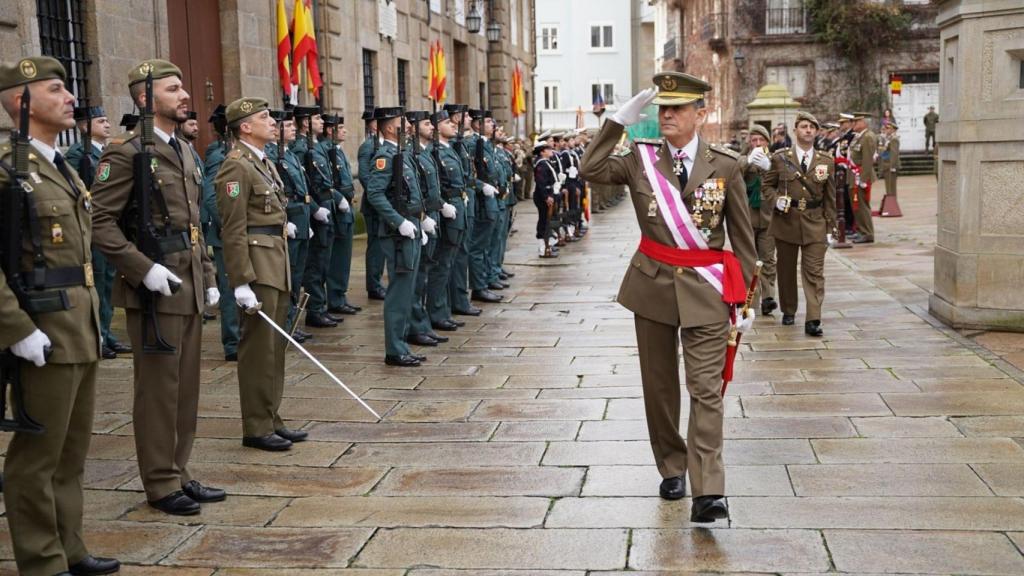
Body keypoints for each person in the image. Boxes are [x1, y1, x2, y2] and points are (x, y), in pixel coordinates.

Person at [580, 72, 756, 523]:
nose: (668, 116)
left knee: (706, 389)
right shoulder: (640, 160)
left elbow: (744, 241)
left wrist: (747, 301)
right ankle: (672, 466)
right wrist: (616, 122)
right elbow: (591, 170)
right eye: (663, 109)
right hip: (652, 286)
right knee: (659, 389)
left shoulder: (726, 165)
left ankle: (708, 490)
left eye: (678, 108)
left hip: (707, 293)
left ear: (701, 114)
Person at [0, 55, 121, 576]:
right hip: (42, 325)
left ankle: (70, 547)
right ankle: (42, 561)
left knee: (71, 453)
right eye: (56, 89)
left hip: (79, 324)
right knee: (36, 458)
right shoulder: (7, 166)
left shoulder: (59, 164)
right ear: (18, 101)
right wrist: (15, 327)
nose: (71, 98)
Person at [91, 59, 225, 516]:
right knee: (157, 390)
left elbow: (195, 226)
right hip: (154, 288)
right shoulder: (125, 152)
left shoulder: (185, 150)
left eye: (184, 86)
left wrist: (207, 277)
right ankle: (159, 480)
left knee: (185, 387)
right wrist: (141, 268)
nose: (185, 95)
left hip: (186, 283)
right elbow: (101, 222)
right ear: (146, 98)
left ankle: (179, 470)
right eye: (173, 89)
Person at [215, 97, 305, 451]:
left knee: (274, 348)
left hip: (275, 261)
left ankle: (271, 417)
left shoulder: (261, 162)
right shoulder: (236, 166)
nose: (273, 122)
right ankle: (255, 425)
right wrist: (240, 280)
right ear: (245, 127)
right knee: (257, 351)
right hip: (257, 266)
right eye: (264, 117)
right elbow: (233, 228)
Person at [763, 111, 837, 337]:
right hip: (787, 220)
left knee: (814, 272)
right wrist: (776, 200)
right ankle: (788, 309)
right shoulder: (780, 158)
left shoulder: (826, 161)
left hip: (815, 222)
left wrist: (831, 227)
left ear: (816, 132)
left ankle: (813, 319)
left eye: (812, 127)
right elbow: (767, 186)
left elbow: (831, 197)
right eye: (804, 126)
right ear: (795, 130)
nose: (808, 130)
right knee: (786, 271)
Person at [66, 104, 129, 360]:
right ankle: (98, 335)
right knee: (98, 282)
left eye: (106, 119)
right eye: (100, 120)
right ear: (83, 126)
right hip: (92, 229)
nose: (107, 124)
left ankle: (107, 332)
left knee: (108, 284)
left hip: (109, 227)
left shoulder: (105, 151)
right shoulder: (77, 153)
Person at [365, 107, 426, 366]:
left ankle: (401, 345)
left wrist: (420, 221)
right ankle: (395, 349)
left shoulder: (401, 154)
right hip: (396, 233)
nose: (410, 126)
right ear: (390, 128)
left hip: (410, 226)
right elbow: (374, 193)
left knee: (408, 289)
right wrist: (399, 222)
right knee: (399, 291)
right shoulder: (385, 157)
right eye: (403, 122)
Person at [265, 108, 314, 344]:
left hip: (301, 218)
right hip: (290, 219)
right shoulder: (272, 155)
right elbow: (277, 193)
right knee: (289, 275)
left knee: (298, 274)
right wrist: (288, 221)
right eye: (288, 125)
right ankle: (286, 324)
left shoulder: (289, 154)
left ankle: (292, 321)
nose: (294, 128)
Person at [202, 104, 241, 361]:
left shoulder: (237, 153)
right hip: (226, 234)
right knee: (230, 289)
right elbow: (211, 197)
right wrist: (230, 226)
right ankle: (233, 343)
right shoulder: (219, 155)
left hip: (239, 233)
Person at [406, 110, 448, 347]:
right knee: (417, 277)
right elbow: (414, 193)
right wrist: (421, 217)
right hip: (421, 218)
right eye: (425, 123)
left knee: (425, 275)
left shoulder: (425, 153)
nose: (431, 127)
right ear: (413, 128)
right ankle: (416, 327)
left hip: (432, 216)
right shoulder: (412, 154)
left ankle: (423, 323)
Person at [427, 107, 469, 331]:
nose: (453, 125)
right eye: (447, 123)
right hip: (448, 210)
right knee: (441, 264)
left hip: (458, 208)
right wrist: (443, 205)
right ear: (436, 128)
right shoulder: (435, 152)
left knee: (450, 262)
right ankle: (436, 312)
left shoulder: (450, 149)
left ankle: (445, 309)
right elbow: (437, 185)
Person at [326, 114, 361, 317]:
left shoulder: (337, 151)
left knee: (344, 256)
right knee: (337, 257)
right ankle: (335, 298)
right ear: (331, 131)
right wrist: (338, 198)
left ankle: (340, 296)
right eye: (341, 128)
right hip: (337, 210)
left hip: (346, 208)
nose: (345, 131)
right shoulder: (327, 151)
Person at [742, 125, 777, 316]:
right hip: (747, 216)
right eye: (754, 140)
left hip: (768, 217)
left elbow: (782, 181)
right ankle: (750, 298)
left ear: (767, 142)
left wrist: (769, 167)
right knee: (749, 259)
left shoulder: (775, 160)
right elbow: (735, 175)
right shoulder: (742, 159)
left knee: (768, 259)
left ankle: (768, 297)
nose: (757, 144)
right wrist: (748, 162)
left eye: (761, 140)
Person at [358, 108, 388, 300]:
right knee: (376, 247)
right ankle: (374, 286)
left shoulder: (384, 145)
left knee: (383, 246)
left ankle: (377, 282)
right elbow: (364, 175)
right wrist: (379, 198)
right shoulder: (369, 146)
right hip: (374, 205)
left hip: (385, 204)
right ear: (375, 125)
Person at [848, 112, 877, 244]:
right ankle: (860, 230)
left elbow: (867, 159)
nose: (853, 124)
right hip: (854, 175)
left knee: (862, 206)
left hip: (861, 175)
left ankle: (867, 233)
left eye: (856, 121)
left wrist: (864, 179)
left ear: (864, 123)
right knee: (856, 205)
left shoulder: (868, 137)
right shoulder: (858, 137)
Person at [532, 141, 560, 257]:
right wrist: (546, 196)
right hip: (543, 196)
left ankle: (548, 245)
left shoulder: (546, 163)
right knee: (544, 221)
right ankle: (543, 248)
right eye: (548, 149)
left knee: (548, 221)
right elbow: (541, 182)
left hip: (549, 194)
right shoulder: (541, 164)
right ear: (542, 152)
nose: (551, 151)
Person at [879, 121, 900, 200]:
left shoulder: (894, 139)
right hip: (886, 165)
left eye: (888, 128)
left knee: (891, 187)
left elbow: (894, 153)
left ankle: (892, 204)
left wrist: (892, 166)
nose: (886, 130)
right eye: (886, 128)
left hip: (890, 166)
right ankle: (890, 203)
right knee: (888, 187)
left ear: (893, 130)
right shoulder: (887, 139)